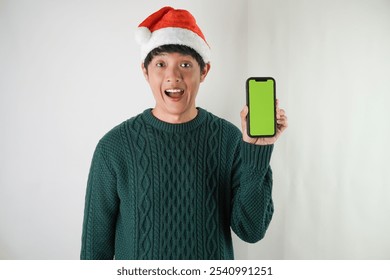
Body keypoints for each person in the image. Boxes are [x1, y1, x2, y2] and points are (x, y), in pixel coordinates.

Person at [80, 6, 288, 260]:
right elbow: (94, 252)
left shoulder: (231, 140)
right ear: (145, 72)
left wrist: (257, 151)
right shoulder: (113, 147)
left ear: (204, 71)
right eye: (161, 64)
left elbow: (251, 230)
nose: (173, 76)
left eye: (185, 64)